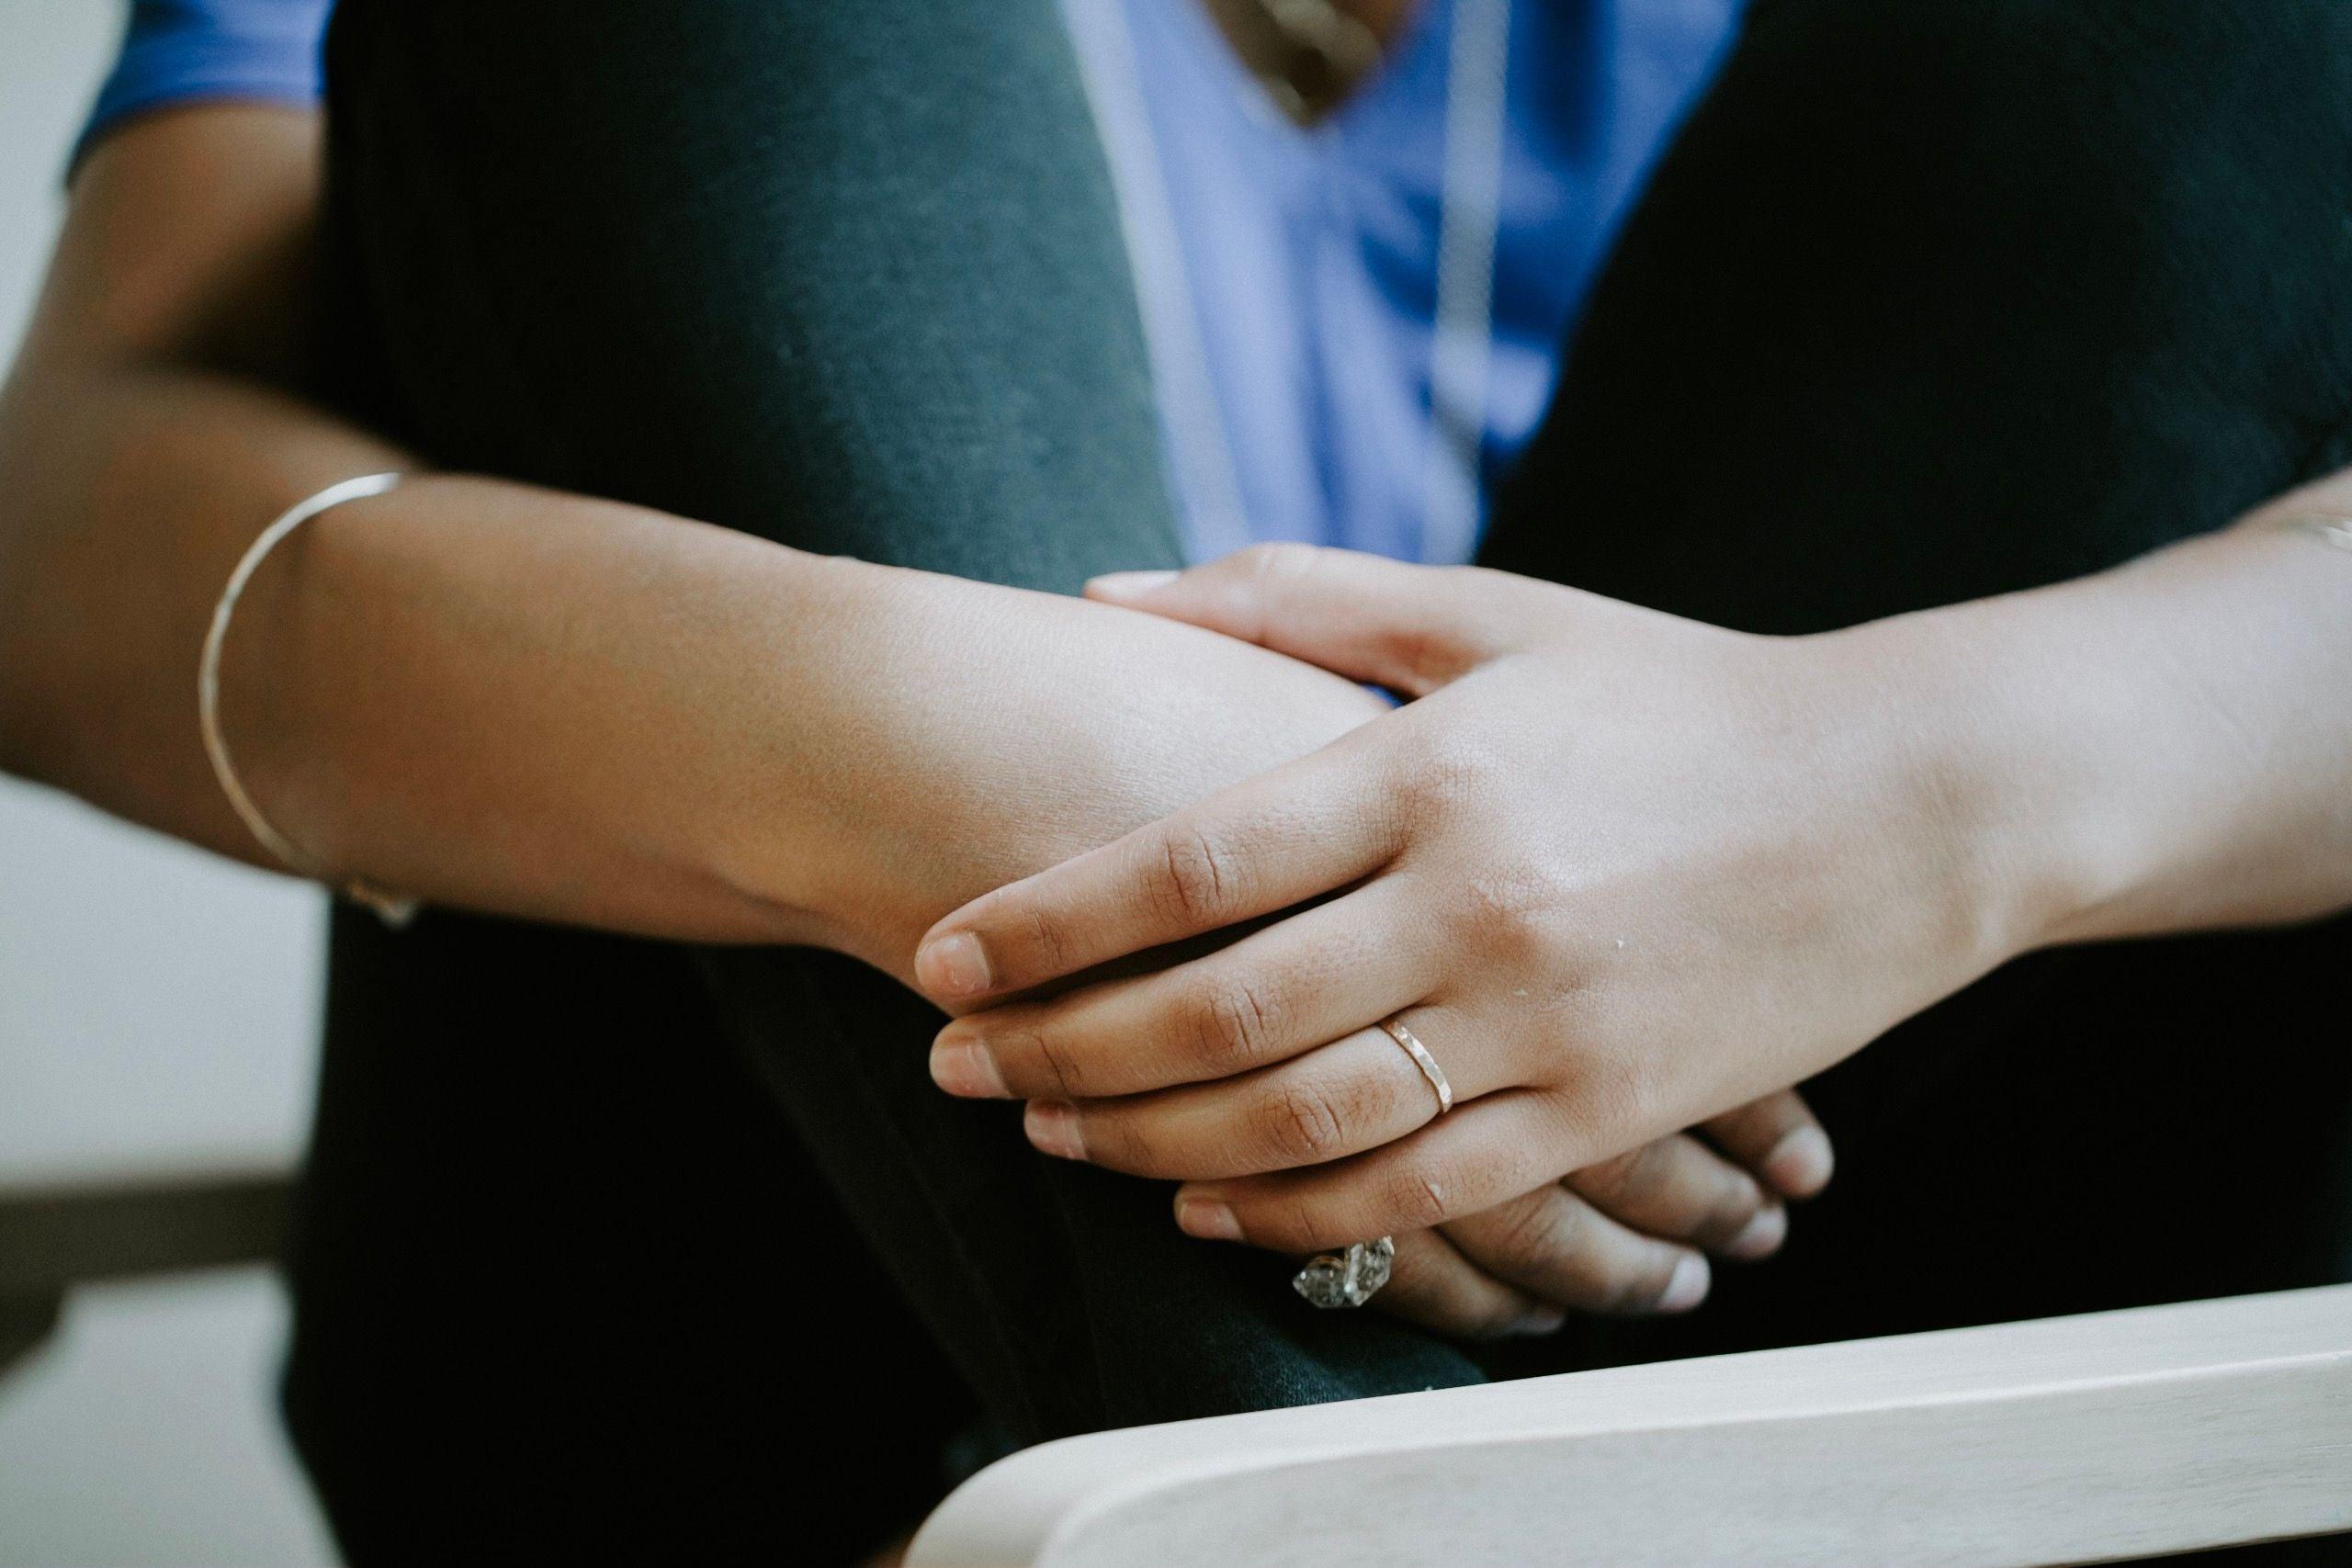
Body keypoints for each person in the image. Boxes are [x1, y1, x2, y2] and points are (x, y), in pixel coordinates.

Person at [0, 0, 2345, 1562]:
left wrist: (1903, 788)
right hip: (797, 1382)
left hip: (1924, 1303)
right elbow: (66, 531)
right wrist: (935, 745)